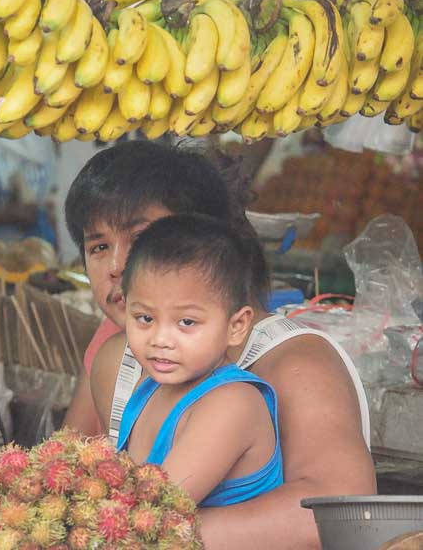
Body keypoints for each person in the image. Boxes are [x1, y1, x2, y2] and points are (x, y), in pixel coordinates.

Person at [62, 141, 376, 549]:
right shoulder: (115, 358)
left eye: (142, 237)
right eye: (99, 246)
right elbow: (66, 475)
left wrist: (146, 536)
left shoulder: (296, 362)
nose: (117, 266)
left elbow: (343, 511)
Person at [117, 213, 282, 507]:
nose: (161, 339)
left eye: (187, 322)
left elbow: (152, 514)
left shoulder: (233, 404)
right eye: (145, 318)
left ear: (236, 326)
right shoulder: (148, 388)